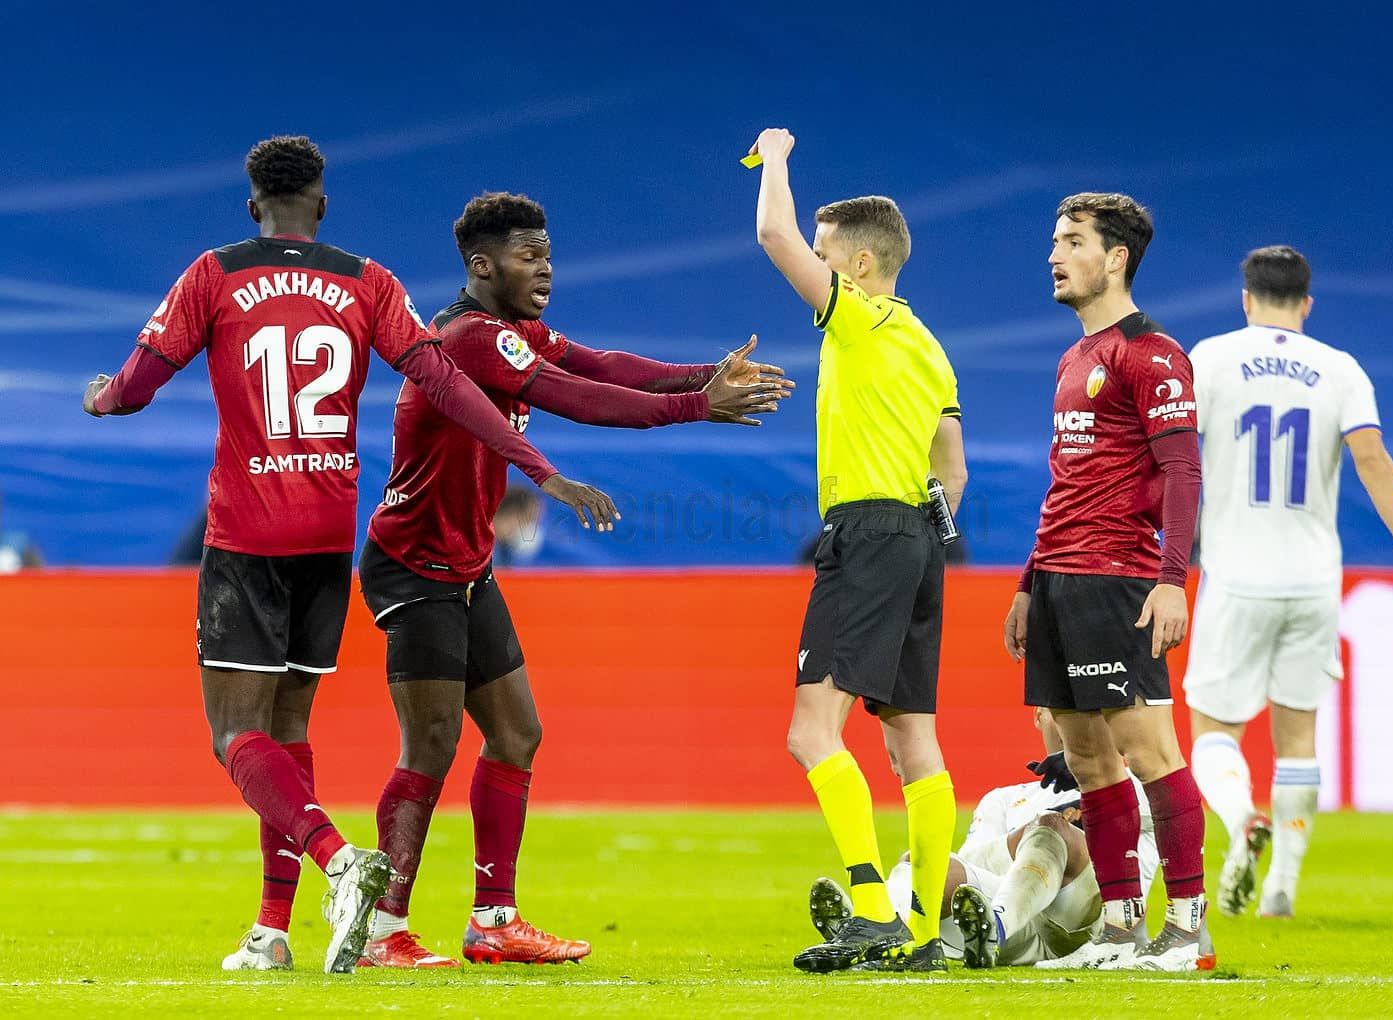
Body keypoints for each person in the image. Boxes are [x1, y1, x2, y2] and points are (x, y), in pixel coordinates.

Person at [81, 135, 615, 974]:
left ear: (253, 204)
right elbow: (443, 381)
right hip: (329, 534)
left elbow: (139, 385)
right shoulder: (367, 279)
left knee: (236, 736)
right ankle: (269, 930)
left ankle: (339, 860)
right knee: (289, 730)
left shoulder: (215, 273)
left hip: (249, 530)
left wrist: (104, 397)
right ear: (322, 204)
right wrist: (537, 469)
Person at [356, 191, 792, 967]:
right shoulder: (470, 337)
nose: (547, 268)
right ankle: (381, 931)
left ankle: (493, 921)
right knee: (431, 743)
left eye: (549, 254)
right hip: (413, 565)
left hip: (466, 565)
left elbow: (596, 365)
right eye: (530, 255)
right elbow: (576, 398)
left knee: (517, 734)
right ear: (483, 266)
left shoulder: (514, 331)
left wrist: (702, 375)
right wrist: (697, 405)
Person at [748, 127, 967, 973]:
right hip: (918, 535)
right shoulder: (928, 346)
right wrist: (922, 541)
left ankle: (874, 912)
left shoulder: (862, 318)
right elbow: (953, 470)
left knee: (812, 733)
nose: (815, 260)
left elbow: (773, 237)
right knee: (914, 737)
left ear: (860, 267)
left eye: (827, 252)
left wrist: (775, 159)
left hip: (869, 529)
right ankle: (920, 937)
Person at [1185, 245, 1393, 919]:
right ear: (1307, 304)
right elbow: (1371, 455)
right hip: (1312, 576)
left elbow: (1174, 458)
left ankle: (1241, 819)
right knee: (1298, 734)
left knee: (1213, 726)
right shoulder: (1339, 369)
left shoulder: (1207, 358)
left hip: (1236, 571)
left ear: (1246, 298)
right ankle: (1283, 890)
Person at [1002, 192, 1209, 972]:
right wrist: (1029, 581)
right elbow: (1064, 481)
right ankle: (1121, 929)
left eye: (1071, 241)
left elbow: (1182, 471)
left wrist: (1172, 580)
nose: (1054, 255)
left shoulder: (1152, 354)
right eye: (1055, 240)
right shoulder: (1073, 357)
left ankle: (1186, 931)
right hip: (1058, 579)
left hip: (1117, 577)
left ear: (1115, 257)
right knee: (1086, 759)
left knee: (1149, 749)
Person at [806, 708, 1180, 970]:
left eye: (1089, 717)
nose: (1075, 726)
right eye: (1063, 712)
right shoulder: (1003, 798)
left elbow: (1153, 815)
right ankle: (878, 926)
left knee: (1051, 831)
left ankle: (995, 928)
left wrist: (1062, 805)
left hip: (1087, 925)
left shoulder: (1133, 786)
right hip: (1011, 921)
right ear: (1039, 716)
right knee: (926, 868)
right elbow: (969, 867)